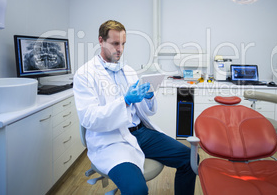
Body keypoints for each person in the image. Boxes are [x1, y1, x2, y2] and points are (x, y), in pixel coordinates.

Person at [73, 20, 197, 195]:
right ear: (101, 41)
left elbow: (146, 111)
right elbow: (89, 119)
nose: (120, 49)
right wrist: (124, 101)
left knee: (190, 159)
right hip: (112, 140)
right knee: (137, 190)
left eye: (123, 44)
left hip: (141, 133)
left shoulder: (128, 71)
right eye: (115, 43)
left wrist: (149, 96)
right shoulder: (85, 75)